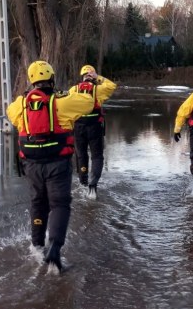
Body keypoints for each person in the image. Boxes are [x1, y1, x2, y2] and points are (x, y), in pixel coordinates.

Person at [7, 60, 95, 272]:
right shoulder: (62, 102)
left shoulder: (20, 105)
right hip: (57, 164)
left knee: (38, 202)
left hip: (32, 166)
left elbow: (11, 114)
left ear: (32, 81)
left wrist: (24, 98)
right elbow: (88, 103)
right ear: (51, 79)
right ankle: (54, 248)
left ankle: (37, 246)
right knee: (59, 204)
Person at [68, 65, 117, 191]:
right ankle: (93, 183)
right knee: (97, 156)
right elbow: (112, 86)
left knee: (81, 154)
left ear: (82, 76)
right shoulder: (98, 89)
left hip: (79, 127)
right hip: (95, 126)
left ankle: (83, 181)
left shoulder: (74, 89)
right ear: (92, 76)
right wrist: (98, 77)